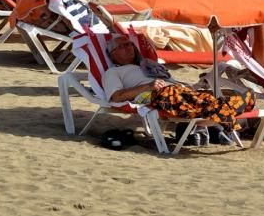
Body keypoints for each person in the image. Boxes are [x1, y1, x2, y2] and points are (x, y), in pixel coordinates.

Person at [103, 34, 256, 143]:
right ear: (113, 54)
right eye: (121, 46)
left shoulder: (148, 65)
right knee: (191, 99)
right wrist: (148, 86)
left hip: (176, 90)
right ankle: (230, 109)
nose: (128, 48)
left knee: (203, 98)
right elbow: (116, 97)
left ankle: (224, 111)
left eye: (129, 44)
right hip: (156, 94)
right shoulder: (113, 72)